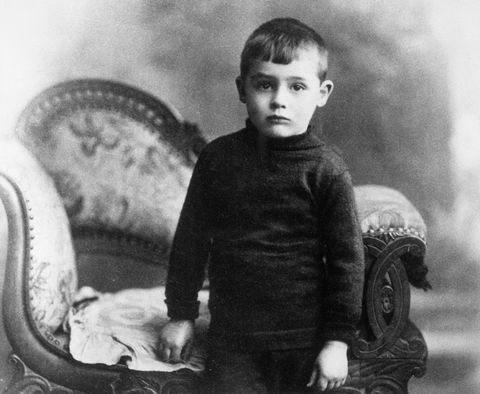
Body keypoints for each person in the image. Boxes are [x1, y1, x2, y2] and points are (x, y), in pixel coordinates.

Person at [158, 17, 365, 393]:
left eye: (297, 86)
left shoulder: (327, 170)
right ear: (242, 88)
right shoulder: (219, 160)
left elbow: (346, 263)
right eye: (265, 84)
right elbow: (190, 242)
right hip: (234, 341)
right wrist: (181, 316)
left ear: (322, 92)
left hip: (304, 339)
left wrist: (337, 342)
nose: (279, 100)